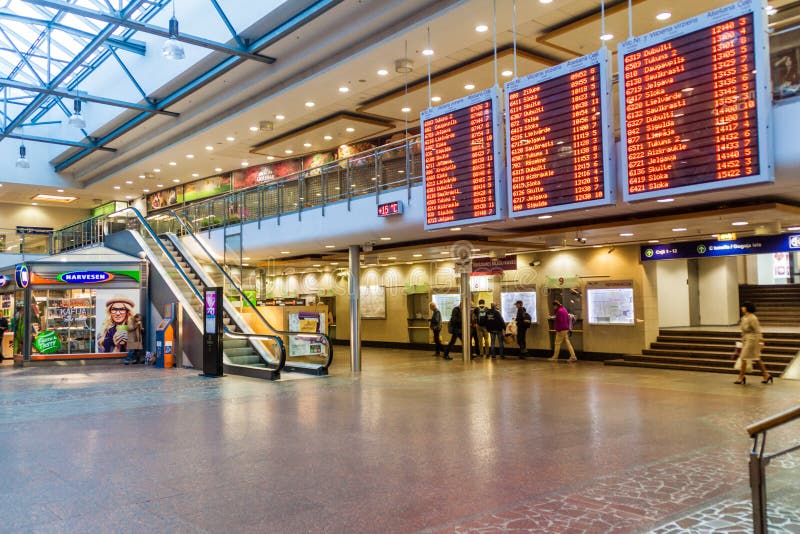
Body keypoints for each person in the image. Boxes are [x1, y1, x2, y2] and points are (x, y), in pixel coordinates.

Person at [734, 302, 773, 385]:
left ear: (747, 308)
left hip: (752, 340)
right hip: (746, 339)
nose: (742, 308)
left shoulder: (753, 318)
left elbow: (757, 330)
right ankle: (766, 375)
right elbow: (743, 330)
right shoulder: (744, 317)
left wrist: (761, 341)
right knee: (756, 358)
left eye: (743, 306)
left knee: (743, 357)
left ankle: (741, 377)